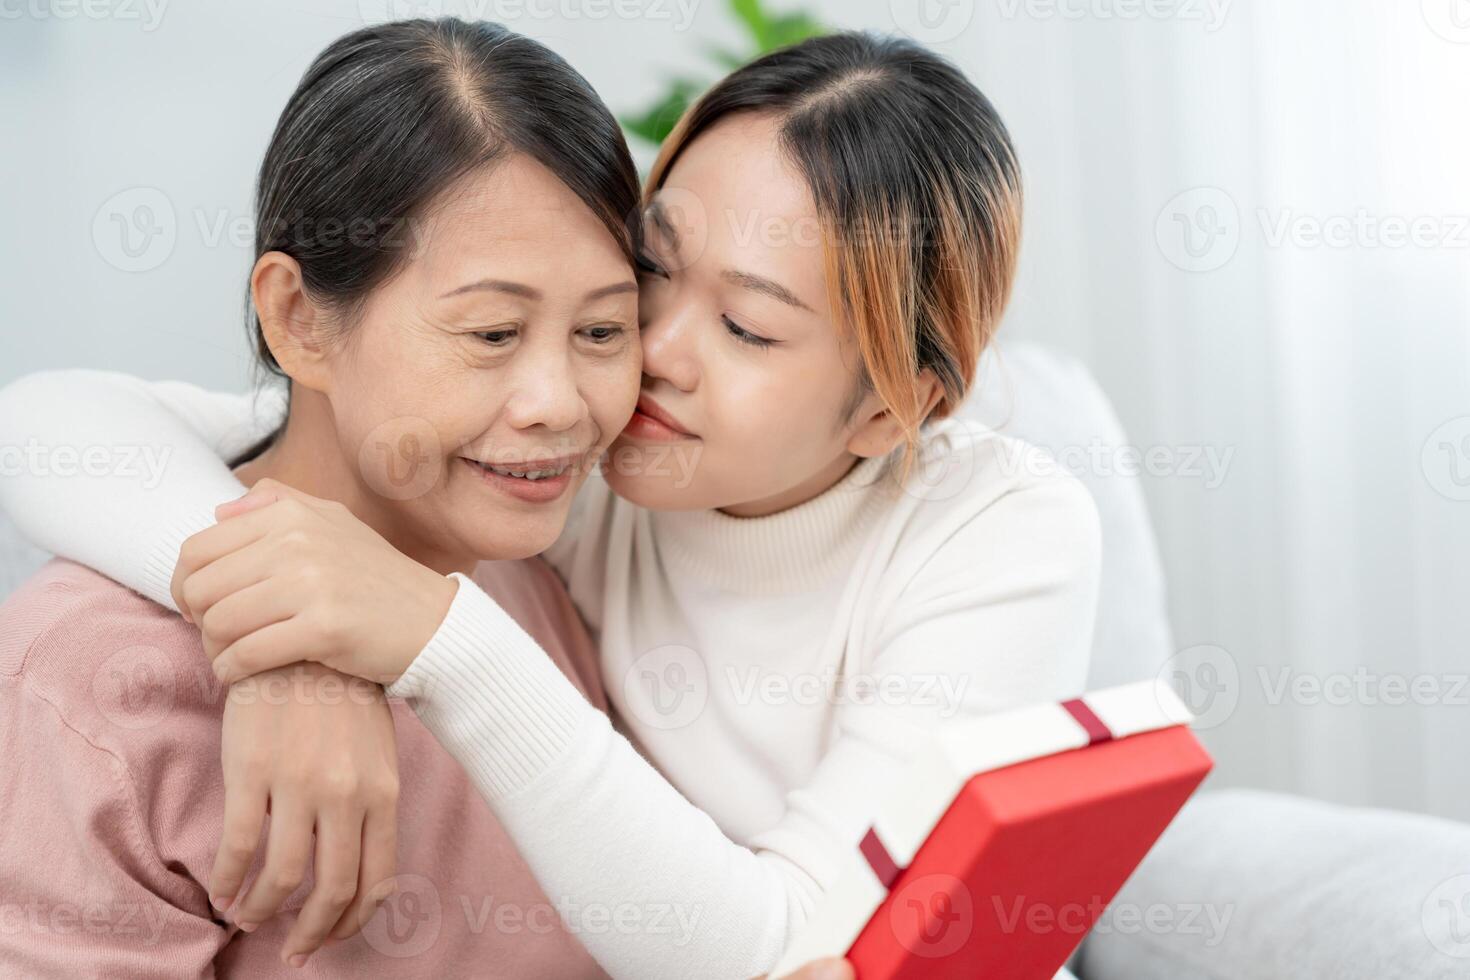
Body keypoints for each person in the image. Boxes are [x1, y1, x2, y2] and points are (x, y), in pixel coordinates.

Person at [0, 27, 1098, 980]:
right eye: (650, 283)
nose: (620, 376)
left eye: (600, 327)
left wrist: (413, 633)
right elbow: (56, 423)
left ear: (893, 410)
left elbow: (783, 950)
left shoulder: (561, 523)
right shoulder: (559, 485)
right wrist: (290, 629)